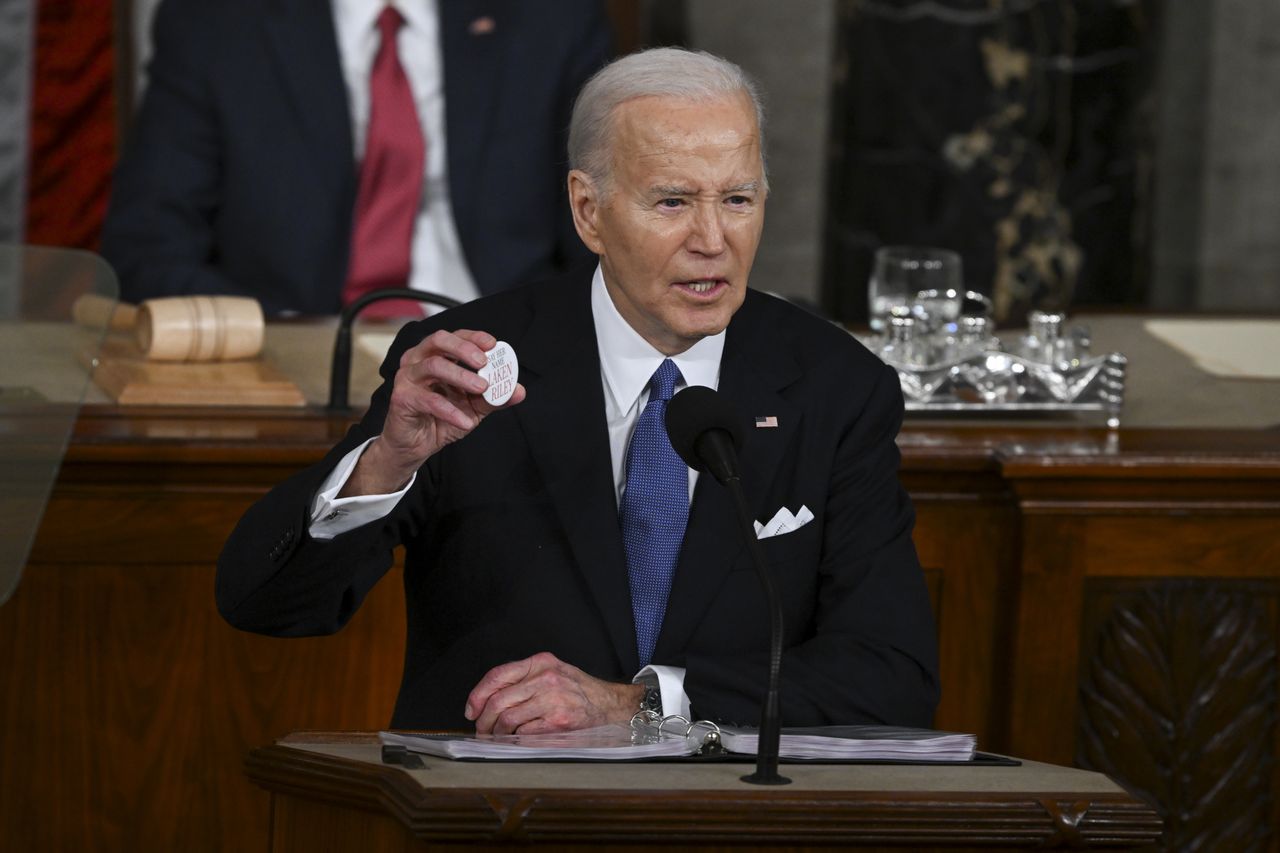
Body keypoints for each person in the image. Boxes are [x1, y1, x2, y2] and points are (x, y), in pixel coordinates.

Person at [216, 47, 940, 733]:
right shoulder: (470, 368)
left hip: (725, 814)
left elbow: (891, 674)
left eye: (739, 198)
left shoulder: (834, 386)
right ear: (589, 210)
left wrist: (644, 703)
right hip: (498, 816)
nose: (714, 238)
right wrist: (386, 463)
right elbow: (267, 605)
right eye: (672, 202)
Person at [101, 0, 610, 316]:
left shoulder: (551, 15)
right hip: (299, 364)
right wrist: (276, 332)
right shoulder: (217, 21)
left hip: (506, 363)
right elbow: (148, 245)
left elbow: (606, 233)